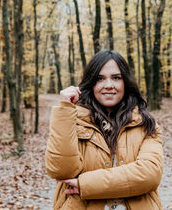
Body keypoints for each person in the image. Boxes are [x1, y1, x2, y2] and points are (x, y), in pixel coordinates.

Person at [45, 50, 163, 210]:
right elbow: (61, 171)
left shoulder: (145, 124)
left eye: (116, 78)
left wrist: (84, 184)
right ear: (91, 83)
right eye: (100, 79)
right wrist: (65, 110)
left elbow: (149, 175)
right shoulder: (72, 120)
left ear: (125, 83)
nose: (108, 85)